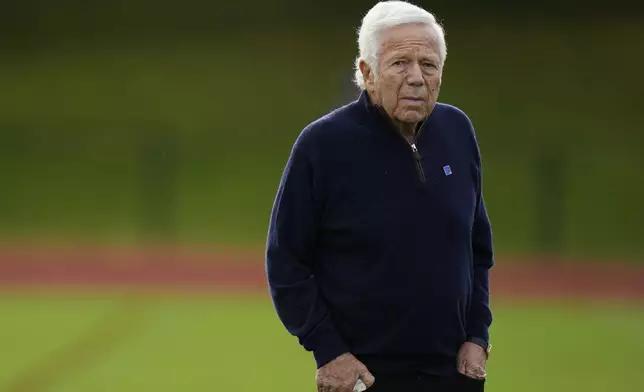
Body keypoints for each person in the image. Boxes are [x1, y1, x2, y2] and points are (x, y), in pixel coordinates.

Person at [265, 1, 494, 391]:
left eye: (429, 64)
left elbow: (477, 249)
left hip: (453, 373)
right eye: (400, 63)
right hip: (363, 378)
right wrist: (328, 351)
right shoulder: (323, 146)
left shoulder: (458, 130)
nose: (417, 78)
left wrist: (478, 335)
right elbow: (287, 262)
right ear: (367, 73)